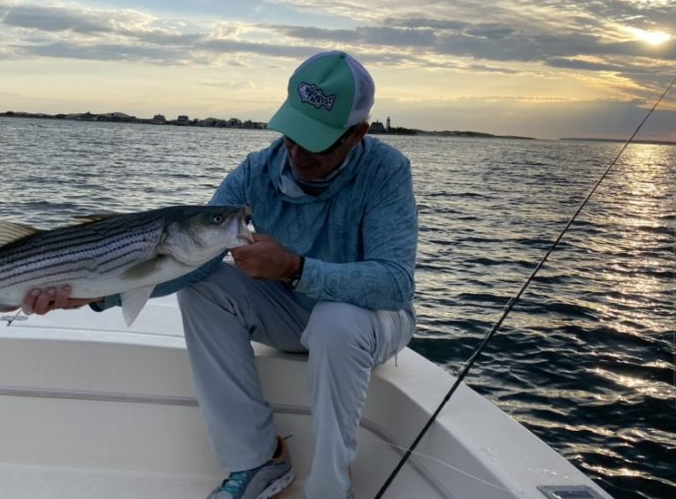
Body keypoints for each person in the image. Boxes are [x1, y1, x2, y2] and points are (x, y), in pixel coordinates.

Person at [24, 50, 418, 499]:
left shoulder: (386, 172)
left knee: (336, 321)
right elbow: (191, 261)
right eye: (292, 133)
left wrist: (295, 268)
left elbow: (395, 283)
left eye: (318, 140)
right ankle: (257, 461)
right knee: (204, 286)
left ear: (358, 134)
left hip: (370, 323)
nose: (297, 151)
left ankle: (330, 487)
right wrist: (96, 296)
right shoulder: (256, 172)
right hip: (289, 315)